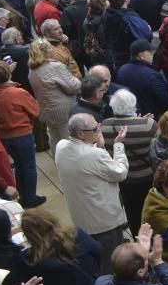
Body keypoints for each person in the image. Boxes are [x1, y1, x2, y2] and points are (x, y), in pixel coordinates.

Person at [55, 112, 129, 275]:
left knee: (93, 260)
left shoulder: (61, 146)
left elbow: (88, 164)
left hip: (82, 218)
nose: (99, 129)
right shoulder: (95, 155)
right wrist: (118, 145)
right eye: (96, 128)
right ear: (81, 134)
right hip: (104, 221)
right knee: (110, 262)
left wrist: (99, 144)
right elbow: (120, 172)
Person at [100, 88, 158, 235]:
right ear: (133, 105)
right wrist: (141, 120)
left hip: (125, 178)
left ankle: (137, 237)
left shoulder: (105, 125)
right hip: (147, 177)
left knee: (132, 211)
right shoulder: (149, 124)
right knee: (151, 209)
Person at [0, 60, 40, 207]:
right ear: (9, 73)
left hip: (4, 137)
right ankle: (31, 198)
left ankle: (22, 195)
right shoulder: (19, 92)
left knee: (18, 166)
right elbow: (35, 112)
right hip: (22, 135)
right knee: (28, 166)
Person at [27, 37, 81, 157]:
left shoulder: (32, 69)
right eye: (50, 47)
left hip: (47, 110)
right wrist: (76, 78)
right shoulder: (55, 67)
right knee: (69, 141)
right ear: (45, 51)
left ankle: (59, 163)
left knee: (55, 140)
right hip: (63, 111)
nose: (53, 49)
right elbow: (72, 87)